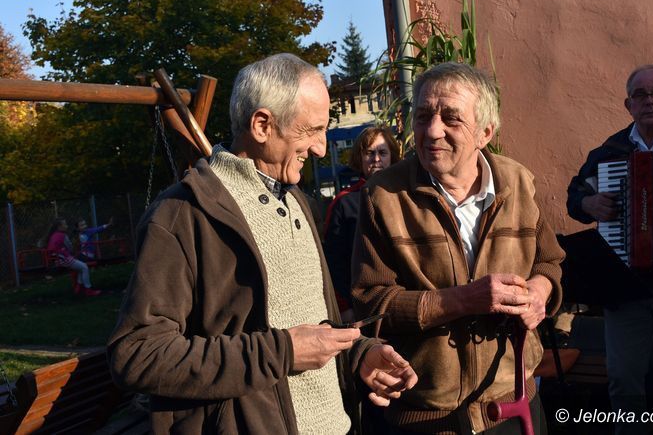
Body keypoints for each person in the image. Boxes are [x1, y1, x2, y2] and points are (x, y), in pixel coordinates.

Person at [108, 53, 417, 434]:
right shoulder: (181, 215)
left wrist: (358, 355)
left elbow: (308, 329)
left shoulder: (297, 200)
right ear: (262, 125)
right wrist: (281, 352)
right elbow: (138, 355)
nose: (321, 148)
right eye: (312, 131)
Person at [352, 62, 564, 434]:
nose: (433, 131)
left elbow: (549, 262)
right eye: (423, 116)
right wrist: (463, 300)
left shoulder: (518, 182)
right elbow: (370, 304)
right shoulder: (384, 196)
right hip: (429, 418)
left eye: (451, 118)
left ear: (485, 132)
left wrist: (538, 292)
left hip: (514, 405)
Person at [567, 64, 653, 435]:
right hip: (624, 285)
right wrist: (589, 203)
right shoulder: (609, 153)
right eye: (640, 95)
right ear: (628, 105)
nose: (649, 101)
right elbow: (575, 196)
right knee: (623, 378)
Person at [324, 126, 400, 320]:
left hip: (402, 303)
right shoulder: (343, 203)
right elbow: (333, 262)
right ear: (360, 158)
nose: (376, 159)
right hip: (360, 310)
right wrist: (344, 308)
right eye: (369, 153)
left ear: (392, 156)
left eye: (382, 152)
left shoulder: (405, 197)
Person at [45, 218, 101, 296]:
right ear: (59, 227)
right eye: (65, 224)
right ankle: (88, 290)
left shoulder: (54, 235)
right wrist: (71, 250)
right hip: (62, 258)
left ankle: (79, 288)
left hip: (57, 258)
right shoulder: (63, 235)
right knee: (84, 267)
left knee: (81, 267)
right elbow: (70, 247)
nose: (67, 226)